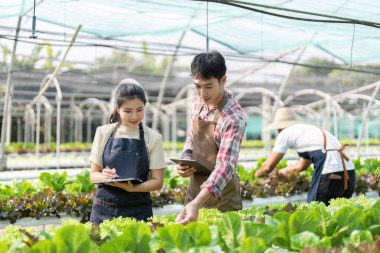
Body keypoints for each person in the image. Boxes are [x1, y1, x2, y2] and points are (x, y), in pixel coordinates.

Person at [175, 50, 246, 224]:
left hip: (224, 197)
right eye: (197, 86)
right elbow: (192, 138)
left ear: (223, 80)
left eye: (208, 86)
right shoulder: (198, 104)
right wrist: (185, 159)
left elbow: (226, 165)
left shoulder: (233, 117)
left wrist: (197, 203)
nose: (202, 93)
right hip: (195, 190)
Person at [89, 78, 165, 224]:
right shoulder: (103, 132)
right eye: (128, 111)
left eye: (140, 110)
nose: (135, 116)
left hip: (138, 211)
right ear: (118, 109)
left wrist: (132, 188)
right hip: (105, 209)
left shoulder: (154, 137)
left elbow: (158, 182)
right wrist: (104, 176)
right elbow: (93, 175)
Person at [255, 107, 355, 205]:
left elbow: (267, 167)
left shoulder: (284, 133)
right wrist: (279, 173)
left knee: (315, 211)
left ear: (278, 127)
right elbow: (302, 165)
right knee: (338, 213)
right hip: (349, 172)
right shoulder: (308, 130)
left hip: (330, 172)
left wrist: (257, 175)